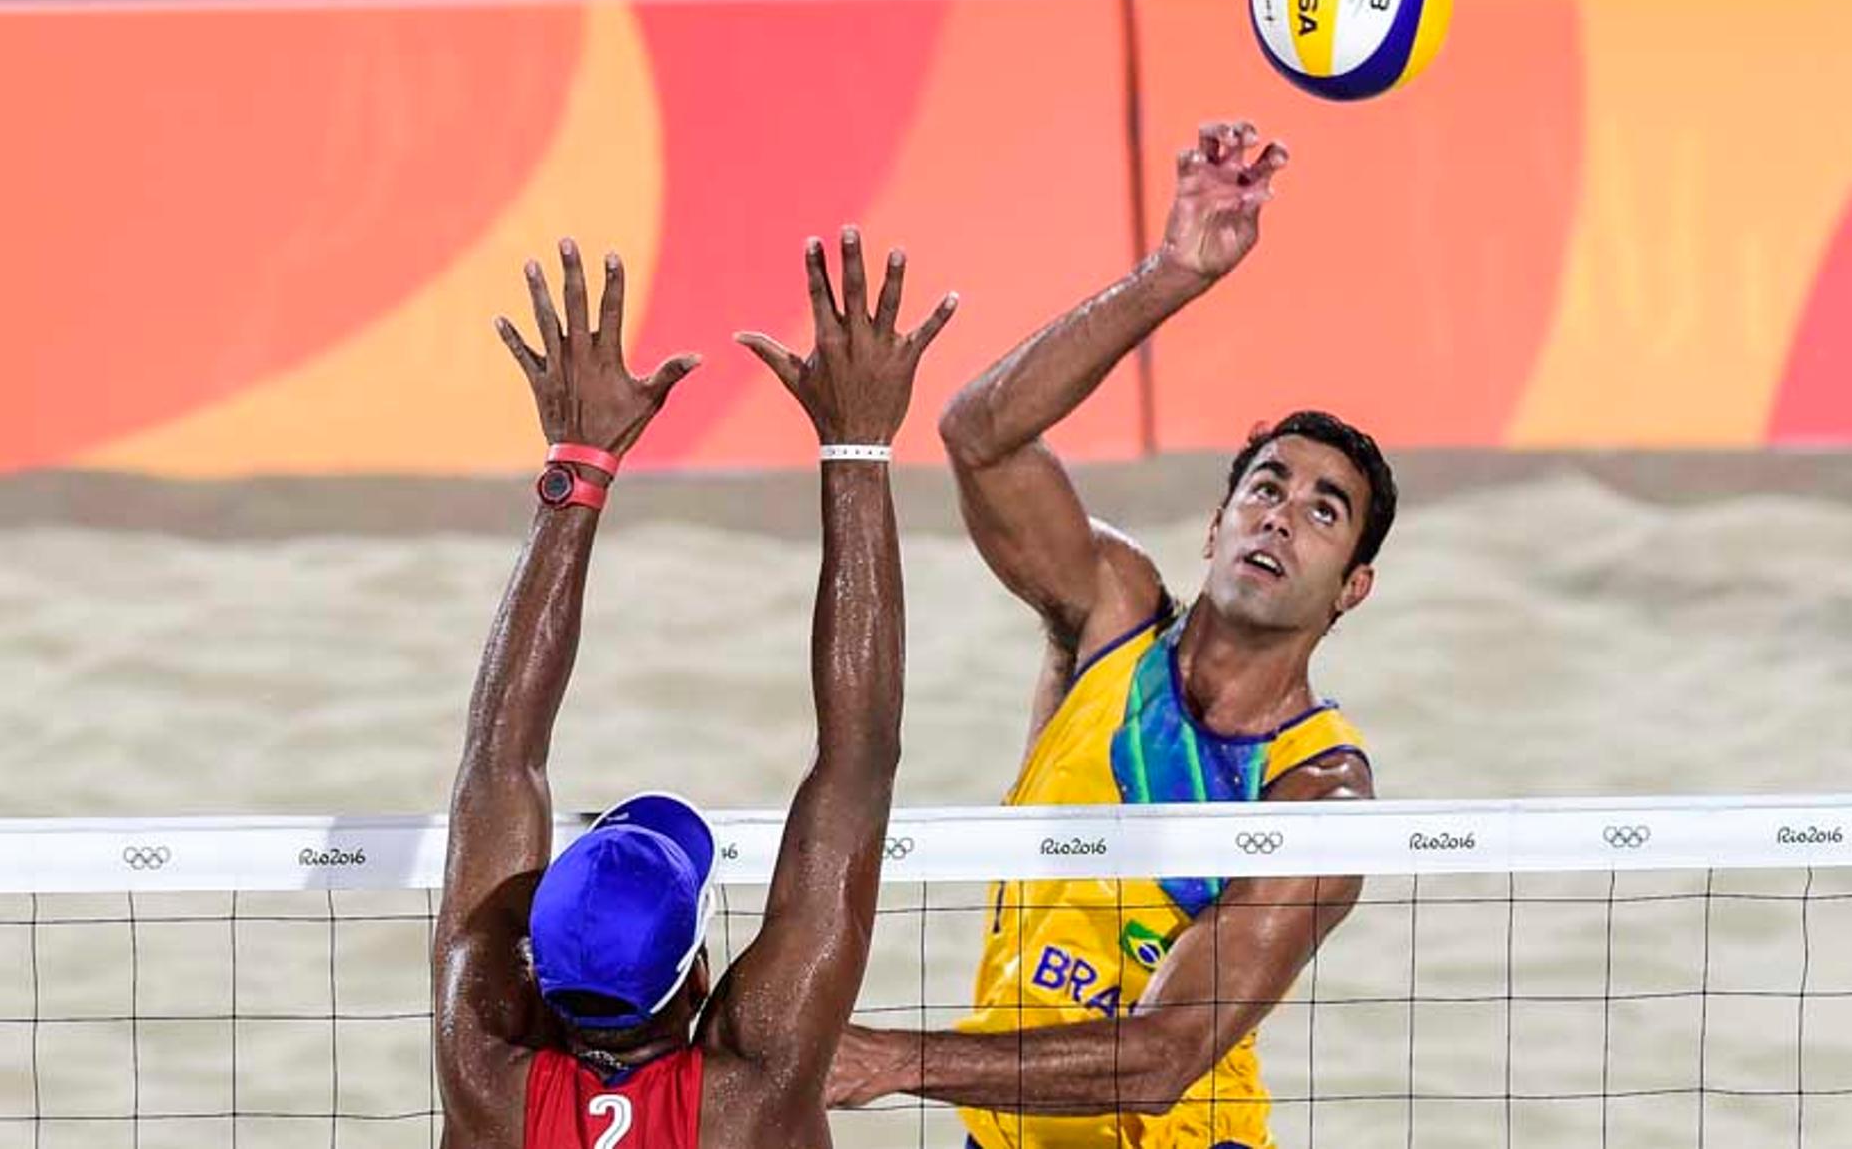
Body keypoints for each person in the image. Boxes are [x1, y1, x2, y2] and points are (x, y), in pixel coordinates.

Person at [827, 124, 1396, 1149]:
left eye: (1323, 510)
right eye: (1265, 487)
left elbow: (1162, 1056)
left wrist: (895, 1059)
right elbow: (980, 437)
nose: (1279, 515)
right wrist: (1173, 272)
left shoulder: (1319, 791)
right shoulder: (1111, 618)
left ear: (1352, 587)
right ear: (1216, 525)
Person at [433, 231, 955, 1149]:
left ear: (530, 970)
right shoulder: (748, 1102)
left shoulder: (483, 1080)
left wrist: (578, 464)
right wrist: (858, 446)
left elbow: (498, 762)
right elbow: (858, 764)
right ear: (703, 974)